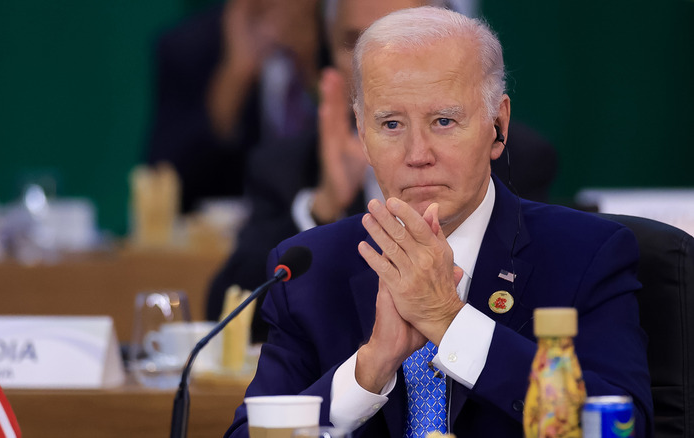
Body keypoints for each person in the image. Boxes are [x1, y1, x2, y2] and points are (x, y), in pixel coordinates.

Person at [222, 6, 652, 437]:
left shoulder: (587, 254)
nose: (417, 154)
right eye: (391, 124)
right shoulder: (311, 271)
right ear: (362, 134)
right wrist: (367, 371)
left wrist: (449, 321)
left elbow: (623, 427)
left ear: (497, 126)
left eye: (443, 122)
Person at [206, 0, 557, 343]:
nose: (390, 52)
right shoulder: (288, 165)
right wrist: (322, 208)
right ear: (329, 48)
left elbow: (541, 306)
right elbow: (229, 319)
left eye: (410, 33)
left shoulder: (514, 154)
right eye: (359, 40)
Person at [146, 0, 321, 213]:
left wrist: (314, 72)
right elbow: (165, 181)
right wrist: (235, 77)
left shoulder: (346, 31)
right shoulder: (191, 46)